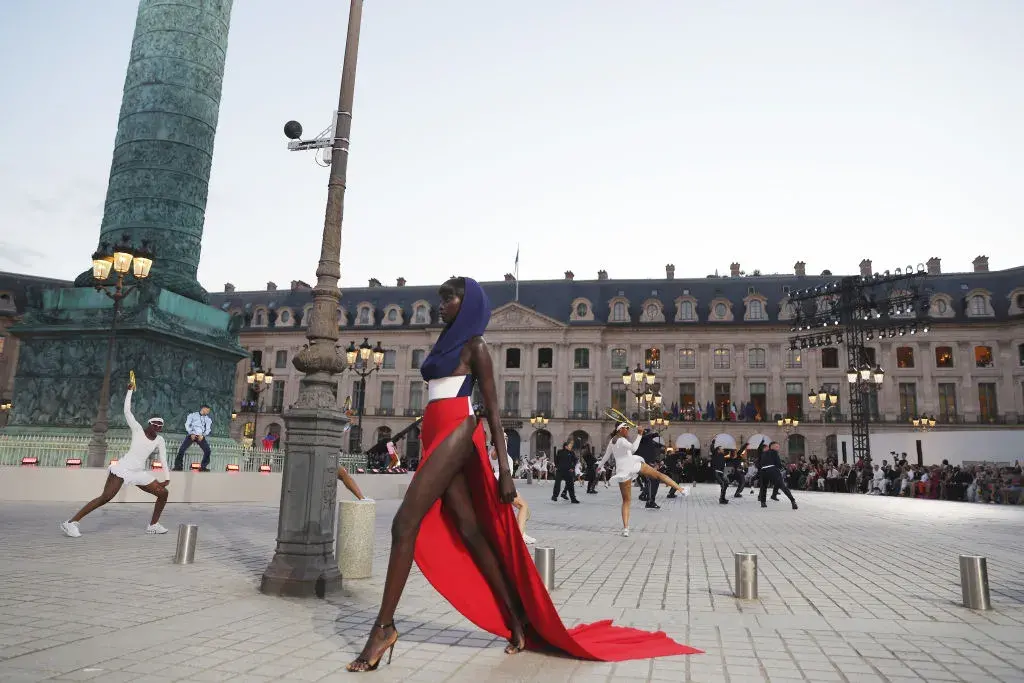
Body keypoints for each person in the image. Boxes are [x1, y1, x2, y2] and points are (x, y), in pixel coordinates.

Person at [346, 277, 699, 672]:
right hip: (435, 428)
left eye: (448, 299)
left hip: (457, 428)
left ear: (468, 303)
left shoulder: (476, 346)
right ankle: (517, 618)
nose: (439, 305)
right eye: (440, 298)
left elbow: (494, 411)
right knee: (469, 530)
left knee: (404, 523)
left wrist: (505, 470)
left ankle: (384, 628)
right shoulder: (444, 341)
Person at [60, 380, 172, 537]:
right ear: (149, 424)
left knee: (163, 493)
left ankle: (153, 525)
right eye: (155, 424)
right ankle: (71, 523)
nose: (158, 427)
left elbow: (163, 459)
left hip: (138, 472)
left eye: (160, 425)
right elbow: (127, 412)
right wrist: (130, 391)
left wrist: (167, 478)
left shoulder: (160, 440)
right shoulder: (138, 429)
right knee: (105, 497)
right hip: (122, 469)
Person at [597, 423, 689, 537]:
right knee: (659, 475)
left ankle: (626, 529)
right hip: (633, 464)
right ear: (620, 429)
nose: (628, 430)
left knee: (626, 501)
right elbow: (634, 448)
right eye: (626, 428)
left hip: (622, 471)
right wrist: (640, 434)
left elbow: (606, 456)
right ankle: (681, 490)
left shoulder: (612, 441)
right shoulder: (622, 440)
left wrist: (599, 466)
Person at [489, 436, 536, 544]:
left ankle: (522, 533)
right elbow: (497, 459)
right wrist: (499, 443)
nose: (506, 438)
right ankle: (520, 536)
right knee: (523, 506)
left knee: (523, 507)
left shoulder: (500, 451)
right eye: (504, 436)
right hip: (502, 482)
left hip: (505, 481)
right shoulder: (495, 451)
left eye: (506, 437)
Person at [758, 441, 798, 510]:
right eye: (776, 446)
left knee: (763, 487)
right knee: (782, 486)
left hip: (763, 471)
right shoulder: (774, 452)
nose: (778, 448)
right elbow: (778, 463)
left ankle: (763, 502)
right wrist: (783, 468)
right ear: (772, 446)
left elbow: (760, 463)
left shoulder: (763, 453)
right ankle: (793, 501)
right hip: (772, 470)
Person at [174, 403, 212, 471]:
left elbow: (208, 429)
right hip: (191, 435)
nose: (208, 412)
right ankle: (178, 466)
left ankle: (203, 467)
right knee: (182, 449)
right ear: (203, 409)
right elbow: (187, 424)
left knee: (208, 450)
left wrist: (203, 435)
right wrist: (191, 433)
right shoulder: (192, 415)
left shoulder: (208, 419)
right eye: (207, 411)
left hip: (200, 436)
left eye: (208, 411)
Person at [551, 439, 579, 503]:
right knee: (557, 484)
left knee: (570, 485)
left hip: (568, 471)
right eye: (569, 446)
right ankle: (554, 496)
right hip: (560, 471)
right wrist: (557, 466)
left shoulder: (571, 452)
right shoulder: (559, 451)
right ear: (565, 446)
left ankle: (573, 499)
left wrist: (572, 468)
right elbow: (556, 460)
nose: (570, 447)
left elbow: (575, 460)